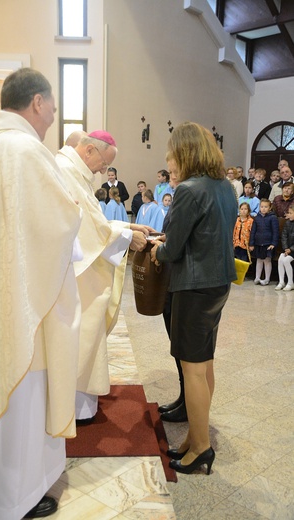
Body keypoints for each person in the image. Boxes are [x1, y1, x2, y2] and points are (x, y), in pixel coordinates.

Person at [0, 68, 83, 520]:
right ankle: (11, 498)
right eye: (53, 109)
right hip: (15, 300)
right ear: (39, 103)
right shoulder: (24, 148)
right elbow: (59, 221)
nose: (52, 119)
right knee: (18, 391)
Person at [150, 122, 237, 475]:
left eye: (173, 153)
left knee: (194, 371)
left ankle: (200, 446)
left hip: (192, 286)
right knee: (205, 363)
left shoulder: (188, 189)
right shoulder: (225, 187)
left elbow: (174, 248)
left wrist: (157, 251)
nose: (170, 159)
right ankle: (194, 437)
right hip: (217, 284)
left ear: (184, 152)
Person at [55, 131, 148, 423]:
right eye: (102, 164)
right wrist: (126, 236)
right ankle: (73, 405)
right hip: (74, 273)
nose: (101, 171)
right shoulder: (66, 170)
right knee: (82, 330)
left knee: (87, 331)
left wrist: (129, 228)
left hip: (75, 270)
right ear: (90, 150)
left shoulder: (76, 171)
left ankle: (81, 402)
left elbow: (95, 220)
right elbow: (86, 229)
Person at [158, 158, 187, 424]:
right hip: (175, 279)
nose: (171, 178)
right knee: (176, 341)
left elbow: (178, 244)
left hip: (181, 280)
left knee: (182, 344)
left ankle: (188, 403)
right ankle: (183, 397)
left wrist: (157, 247)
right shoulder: (180, 195)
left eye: (174, 172)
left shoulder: (187, 195)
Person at [249, 198, 279, 285]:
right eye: (262, 207)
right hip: (258, 243)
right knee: (259, 260)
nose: (263, 208)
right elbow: (253, 231)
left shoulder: (273, 218)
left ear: (270, 208)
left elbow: (275, 232)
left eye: (266, 207)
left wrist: (273, 243)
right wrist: (251, 243)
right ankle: (257, 277)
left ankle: (267, 278)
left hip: (268, 244)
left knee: (267, 260)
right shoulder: (257, 218)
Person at [275, 204, 294, 291]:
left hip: (292, 250)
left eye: (290, 213)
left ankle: (290, 282)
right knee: (281, 258)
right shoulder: (287, 223)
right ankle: (281, 281)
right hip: (288, 250)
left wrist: (291, 249)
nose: (288, 215)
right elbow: (284, 236)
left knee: (286, 260)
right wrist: (286, 248)